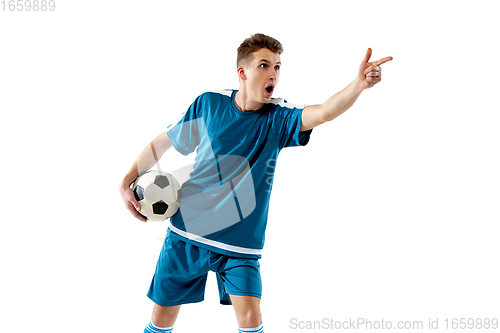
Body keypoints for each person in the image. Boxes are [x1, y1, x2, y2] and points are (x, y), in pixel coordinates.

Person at [119, 33, 393, 333]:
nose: (273, 73)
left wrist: (358, 85)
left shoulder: (278, 118)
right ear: (243, 72)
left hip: (239, 246)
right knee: (161, 318)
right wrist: (127, 180)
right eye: (264, 65)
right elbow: (163, 142)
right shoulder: (209, 103)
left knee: (250, 319)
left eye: (277, 66)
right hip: (187, 234)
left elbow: (324, 112)